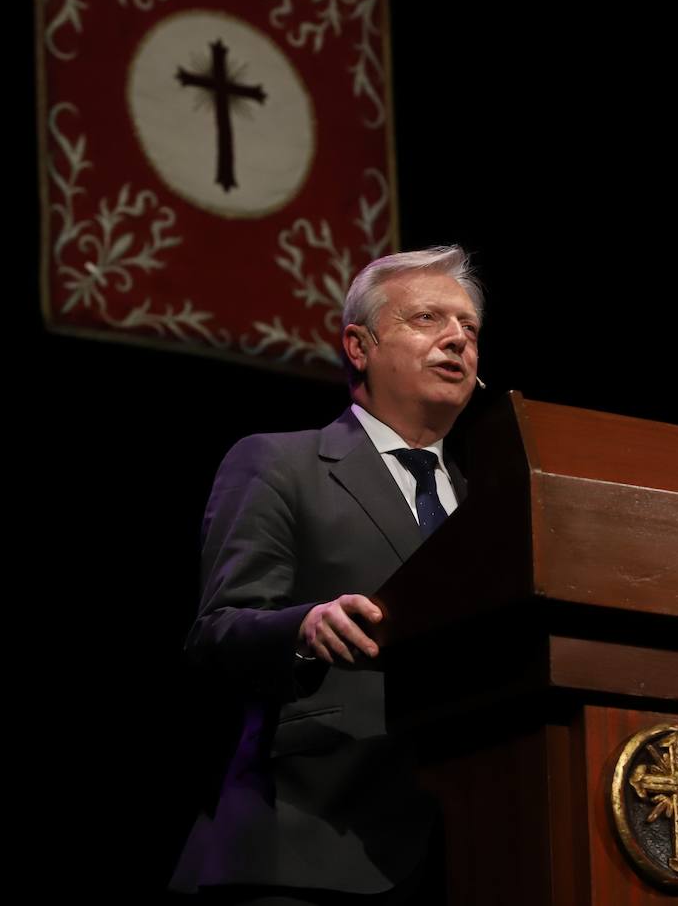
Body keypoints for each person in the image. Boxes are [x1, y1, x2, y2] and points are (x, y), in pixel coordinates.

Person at [169, 245, 484, 904]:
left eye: (470, 329)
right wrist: (304, 628)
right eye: (428, 319)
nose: (457, 338)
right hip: (311, 846)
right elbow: (217, 633)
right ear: (358, 345)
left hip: (475, 852)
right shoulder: (280, 465)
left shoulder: (495, 504)